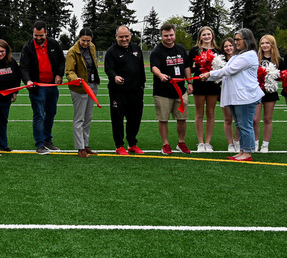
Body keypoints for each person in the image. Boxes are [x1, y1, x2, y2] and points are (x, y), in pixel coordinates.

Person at [200, 29, 263, 161]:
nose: (235, 43)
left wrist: (209, 74)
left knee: (245, 124)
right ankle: (242, 151)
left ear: (247, 40)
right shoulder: (237, 55)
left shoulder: (250, 55)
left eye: (238, 40)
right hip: (237, 97)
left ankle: (248, 152)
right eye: (235, 40)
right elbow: (226, 71)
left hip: (245, 97)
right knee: (240, 124)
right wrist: (207, 77)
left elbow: (229, 70)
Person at [19, 20, 66, 155]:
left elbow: (61, 61)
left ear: (46, 33)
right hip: (37, 87)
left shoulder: (53, 44)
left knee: (51, 113)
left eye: (41, 36)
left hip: (51, 85)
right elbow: (24, 67)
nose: (38, 38)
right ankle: (39, 144)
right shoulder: (28, 48)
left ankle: (47, 140)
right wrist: (27, 81)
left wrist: (59, 74)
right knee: (39, 114)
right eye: (36, 36)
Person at [150, 23, 193, 154]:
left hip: (180, 90)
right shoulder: (157, 51)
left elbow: (186, 66)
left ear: (174, 34)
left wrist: (190, 82)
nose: (169, 38)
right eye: (166, 35)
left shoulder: (180, 49)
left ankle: (181, 142)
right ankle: (166, 144)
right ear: (161, 36)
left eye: (171, 35)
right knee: (163, 119)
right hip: (162, 92)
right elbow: (154, 67)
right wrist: (160, 75)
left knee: (182, 118)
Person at [103, 26, 146, 155]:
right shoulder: (111, 52)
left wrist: (142, 84)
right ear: (116, 37)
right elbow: (108, 68)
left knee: (135, 118)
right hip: (119, 92)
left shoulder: (136, 49)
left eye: (126, 36)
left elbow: (141, 68)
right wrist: (114, 77)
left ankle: (132, 143)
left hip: (136, 91)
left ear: (130, 36)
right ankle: (119, 145)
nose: (124, 39)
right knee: (118, 119)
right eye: (121, 37)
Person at [65, 27, 101, 157]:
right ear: (78, 37)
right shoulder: (72, 52)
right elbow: (69, 71)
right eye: (83, 40)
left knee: (88, 118)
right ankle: (80, 147)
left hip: (92, 86)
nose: (86, 43)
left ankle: (86, 145)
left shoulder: (92, 47)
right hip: (79, 88)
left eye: (88, 40)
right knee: (79, 118)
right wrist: (76, 79)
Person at [189, 26, 221, 152]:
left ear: (212, 35)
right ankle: (200, 143)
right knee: (199, 113)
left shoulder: (218, 51)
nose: (206, 36)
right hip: (199, 84)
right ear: (200, 37)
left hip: (213, 85)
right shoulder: (195, 50)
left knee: (211, 113)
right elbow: (188, 67)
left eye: (209, 34)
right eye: (204, 34)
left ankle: (208, 142)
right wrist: (191, 81)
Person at [253, 34, 281, 153]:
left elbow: (281, 76)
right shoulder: (255, 58)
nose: (264, 45)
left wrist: (271, 76)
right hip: (257, 91)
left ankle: (265, 144)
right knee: (255, 119)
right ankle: (255, 143)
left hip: (270, 92)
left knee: (268, 119)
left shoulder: (278, 60)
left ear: (272, 45)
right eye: (262, 43)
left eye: (267, 43)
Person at [218, 37, 240, 152]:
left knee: (238, 119)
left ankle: (237, 141)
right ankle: (230, 143)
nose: (228, 48)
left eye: (230, 45)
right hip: (226, 91)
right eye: (226, 46)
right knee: (228, 119)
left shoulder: (239, 59)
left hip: (238, 91)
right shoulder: (220, 61)